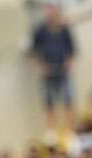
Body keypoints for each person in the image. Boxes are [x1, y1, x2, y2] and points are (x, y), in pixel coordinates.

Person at [30, 2, 78, 135]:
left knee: (68, 98)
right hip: (48, 72)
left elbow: (72, 50)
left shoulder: (64, 29)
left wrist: (70, 64)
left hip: (63, 70)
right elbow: (33, 52)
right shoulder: (39, 30)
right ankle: (51, 130)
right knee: (48, 101)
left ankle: (70, 128)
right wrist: (40, 67)